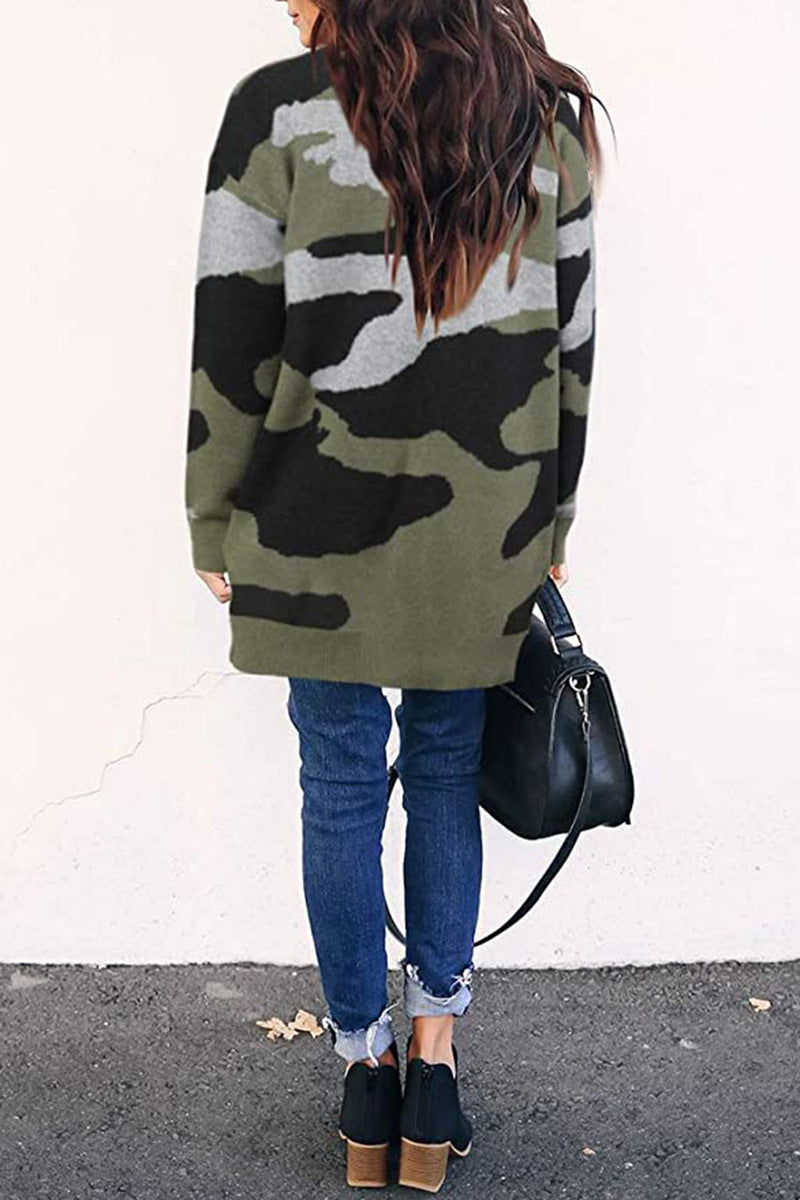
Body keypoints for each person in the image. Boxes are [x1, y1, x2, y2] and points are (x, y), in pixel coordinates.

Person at [184, 0, 602, 1189]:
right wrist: (552, 518)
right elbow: (570, 341)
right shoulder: (538, 116)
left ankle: (364, 1073)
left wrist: (212, 512)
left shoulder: (273, 109)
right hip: (485, 519)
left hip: (305, 511)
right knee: (443, 773)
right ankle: (433, 1066)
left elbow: (229, 332)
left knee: (335, 786)